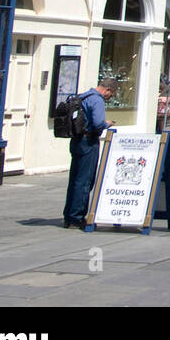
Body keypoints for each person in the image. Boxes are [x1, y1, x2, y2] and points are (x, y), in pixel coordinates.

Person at [62, 77, 115, 228]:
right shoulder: (97, 100)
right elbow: (98, 123)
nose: (109, 98)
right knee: (85, 181)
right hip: (89, 141)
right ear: (107, 90)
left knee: (74, 179)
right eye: (110, 95)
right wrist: (107, 124)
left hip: (76, 140)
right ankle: (77, 217)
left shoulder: (83, 96)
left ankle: (68, 215)